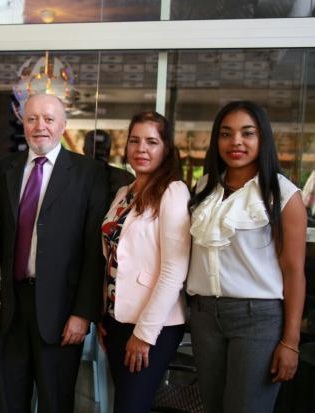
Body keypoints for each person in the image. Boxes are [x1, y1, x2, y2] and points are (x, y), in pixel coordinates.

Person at [0, 93, 108, 412]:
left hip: (61, 312)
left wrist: (83, 313)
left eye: (49, 119)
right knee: (6, 401)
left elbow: (92, 251)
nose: (40, 126)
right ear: (23, 123)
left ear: (63, 125)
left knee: (55, 402)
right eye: (32, 119)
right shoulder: (2, 170)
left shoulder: (89, 174)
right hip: (11, 309)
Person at [187, 101, 306, 413]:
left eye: (247, 133)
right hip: (203, 318)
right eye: (226, 134)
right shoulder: (204, 187)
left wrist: (290, 341)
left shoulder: (283, 195)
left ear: (262, 139)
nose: (235, 141)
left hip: (258, 319)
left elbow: (294, 272)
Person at [98, 111, 191, 412]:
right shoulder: (125, 192)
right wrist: (105, 315)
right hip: (116, 321)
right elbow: (112, 258)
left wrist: (144, 334)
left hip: (152, 325)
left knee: (130, 407)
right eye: (135, 140)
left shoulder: (173, 192)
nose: (141, 149)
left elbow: (173, 271)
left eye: (152, 142)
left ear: (166, 149)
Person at [83, 129, 135, 205]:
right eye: (95, 151)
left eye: (102, 151)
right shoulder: (125, 177)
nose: (99, 153)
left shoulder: (125, 178)